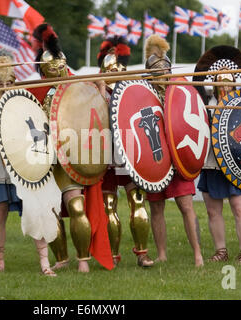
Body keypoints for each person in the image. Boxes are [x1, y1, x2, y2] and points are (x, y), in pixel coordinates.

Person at [29, 23, 112, 273]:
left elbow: (97, 112)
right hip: (45, 157)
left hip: (71, 154)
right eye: (52, 66)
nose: (58, 68)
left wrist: (98, 87)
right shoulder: (35, 90)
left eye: (60, 64)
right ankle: (62, 257)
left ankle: (83, 260)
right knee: (50, 211)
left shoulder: (79, 85)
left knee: (76, 205)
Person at [0, 49, 56, 276]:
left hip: (22, 162)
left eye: (9, 82)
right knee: (0, 212)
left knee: (34, 209)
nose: (5, 87)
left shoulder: (22, 104)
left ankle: (45, 263)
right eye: (0, 82)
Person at [143, 35, 203, 267]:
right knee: (156, 207)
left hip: (178, 156)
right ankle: (162, 254)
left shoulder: (179, 92)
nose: (162, 73)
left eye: (165, 68)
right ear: (149, 73)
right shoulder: (143, 93)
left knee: (186, 206)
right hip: (155, 158)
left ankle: (197, 254)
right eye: (156, 70)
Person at [193, 46, 241, 265]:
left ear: (235, 81)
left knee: (239, 206)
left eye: (228, 80)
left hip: (236, 161)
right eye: (220, 80)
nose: (224, 84)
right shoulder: (205, 103)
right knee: (212, 210)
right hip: (212, 161)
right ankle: (221, 250)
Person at [96, 36, 154, 267]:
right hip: (105, 155)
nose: (117, 71)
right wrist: (100, 89)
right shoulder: (94, 92)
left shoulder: (132, 92)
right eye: (112, 69)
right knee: (108, 206)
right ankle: (112, 255)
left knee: (138, 200)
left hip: (130, 151)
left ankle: (143, 253)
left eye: (120, 67)